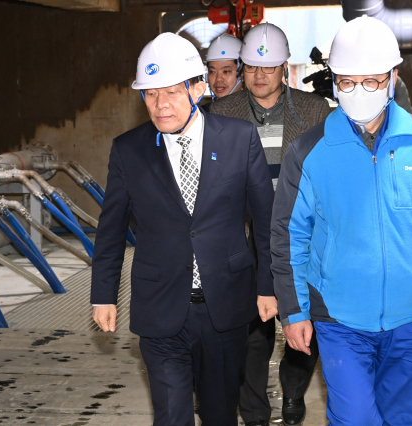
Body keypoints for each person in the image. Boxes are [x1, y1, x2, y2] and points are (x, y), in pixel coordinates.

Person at [271, 16, 412, 426]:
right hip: (339, 320)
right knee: (354, 418)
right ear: (334, 81)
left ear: (393, 77)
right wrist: (294, 311)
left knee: (402, 418)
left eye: (371, 81)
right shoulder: (308, 152)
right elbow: (288, 237)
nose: (359, 92)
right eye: (348, 82)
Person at [91, 32, 277, 426]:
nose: (160, 106)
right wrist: (103, 295)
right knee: (172, 415)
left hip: (225, 306)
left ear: (198, 88)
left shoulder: (239, 139)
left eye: (172, 92)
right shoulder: (128, 150)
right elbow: (110, 230)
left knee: (219, 413)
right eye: (151, 94)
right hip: (160, 306)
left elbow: (265, 222)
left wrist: (268, 287)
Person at [210, 23, 330, 426]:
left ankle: (294, 396)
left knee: (304, 320)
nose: (259, 76)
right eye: (251, 68)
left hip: (301, 238)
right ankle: (255, 411)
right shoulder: (221, 112)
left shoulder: (314, 110)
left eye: (269, 68)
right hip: (245, 239)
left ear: (284, 68)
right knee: (252, 330)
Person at [201, 33, 244, 112]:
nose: (218, 79)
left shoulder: (257, 114)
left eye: (226, 71)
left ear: (242, 73)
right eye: (212, 71)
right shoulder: (200, 116)